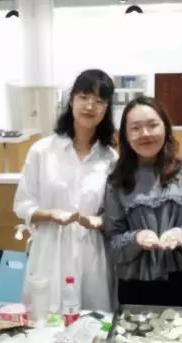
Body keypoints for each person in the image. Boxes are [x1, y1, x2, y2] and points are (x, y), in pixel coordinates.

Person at [14, 69, 117, 313]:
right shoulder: (42, 151)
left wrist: (100, 220)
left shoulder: (110, 158)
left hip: (92, 251)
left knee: (93, 321)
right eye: (84, 97)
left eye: (99, 100)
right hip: (50, 248)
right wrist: (50, 214)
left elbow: (116, 214)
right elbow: (22, 205)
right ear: (71, 100)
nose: (90, 106)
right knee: (47, 319)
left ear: (106, 109)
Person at [103, 96, 182, 307]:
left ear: (165, 127)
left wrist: (181, 235)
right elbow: (113, 242)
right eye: (135, 128)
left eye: (152, 125)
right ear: (125, 135)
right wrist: (136, 239)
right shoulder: (116, 179)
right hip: (135, 287)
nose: (145, 133)